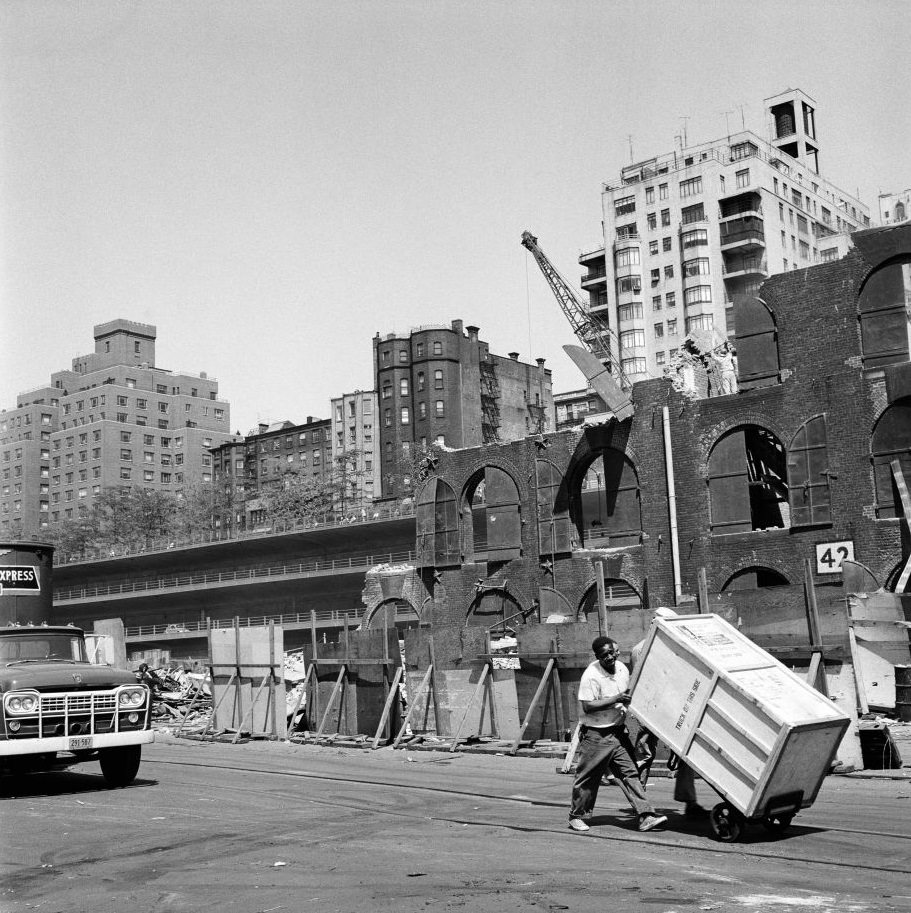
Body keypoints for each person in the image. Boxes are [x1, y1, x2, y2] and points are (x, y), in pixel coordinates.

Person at [568, 635, 667, 833]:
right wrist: (616, 699)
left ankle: (645, 815)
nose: (610, 657)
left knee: (630, 773)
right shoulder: (591, 675)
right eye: (605, 655)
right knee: (588, 778)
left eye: (613, 653)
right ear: (597, 656)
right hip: (596, 735)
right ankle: (577, 816)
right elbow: (588, 706)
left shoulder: (622, 668)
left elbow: (628, 694)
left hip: (618, 732)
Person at [630, 611, 708, 820]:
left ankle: (689, 802)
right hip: (651, 710)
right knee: (645, 752)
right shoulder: (640, 649)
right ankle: (639, 801)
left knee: (685, 754)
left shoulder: (679, 646)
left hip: (675, 709)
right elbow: (640, 685)